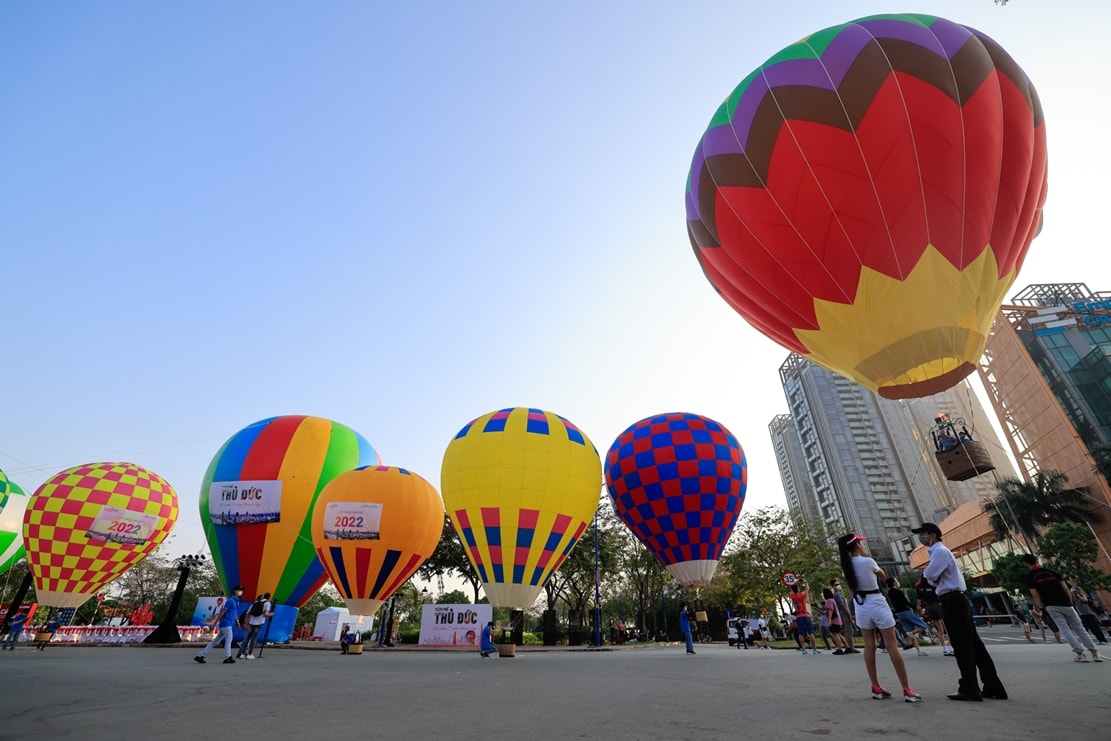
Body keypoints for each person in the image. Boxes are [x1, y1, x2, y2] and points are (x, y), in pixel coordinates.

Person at [914, 523, 1006, 701]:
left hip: (952, 601)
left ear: (932, 535)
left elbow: (929, 576)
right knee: (975, 646)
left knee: (962, 646)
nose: (921, 539)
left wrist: (928, 575)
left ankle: (969, 688)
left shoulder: (939, 551)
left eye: (923, 535)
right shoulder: (939, 552)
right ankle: (993, 686)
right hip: (956, 600)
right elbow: (931, 579)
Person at [837, 534, 921, 702]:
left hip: (860, 605)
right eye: (861, 542)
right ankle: (906, 689)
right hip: (876, 602)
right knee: (892, 645)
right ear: (858, 545)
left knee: (869, 646)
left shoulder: (846, 567)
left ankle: (876, 687)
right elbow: (883, 576)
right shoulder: (867, 562)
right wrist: (867, 558)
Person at [1022, 554, 1103, 662]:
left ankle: (1080, 654)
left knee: (1065, 629)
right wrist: (1070, 602)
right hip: (1066, 603)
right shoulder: (1053, 572)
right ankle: (1095, 653)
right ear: (1037, 560)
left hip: (1050, 605)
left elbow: (1035, 595)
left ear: (1026, 563)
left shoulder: (1030, 577)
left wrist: (1041, 608)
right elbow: (1066, 589)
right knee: (1079, 628)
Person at [194, 585, 243, 664]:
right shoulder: (230, 600)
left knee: (215, 641)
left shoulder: (236, 601)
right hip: (226, 623)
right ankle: (228, 657)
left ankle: (200, 655)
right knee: (229, 639)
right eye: (239, 590)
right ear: (235, 591)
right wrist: (214, 624)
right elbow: (222, 612)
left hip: (229, 623)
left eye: (241, 590)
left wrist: (237, 621)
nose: (241, 591)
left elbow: (234, 612)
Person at [885, 578, 929, 656]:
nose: (897, 582)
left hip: (899, 614)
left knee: (911, 632)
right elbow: (906, 603)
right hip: (906, 612)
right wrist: (916, 608)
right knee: (923, 626)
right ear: (894, 583)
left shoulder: (889, 593)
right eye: (896, 581)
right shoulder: (898, 592)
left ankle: (918, 650)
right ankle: (910, 634)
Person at [915, 576, 952, 656]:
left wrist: (919, 609)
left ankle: (944, 649)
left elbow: (918, 599)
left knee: (940, 629)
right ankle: (952, 647)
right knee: (947, 627)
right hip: (938, 605)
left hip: (929, 607)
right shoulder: (933, 584)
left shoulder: (919, 587)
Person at [788, 578, 820, 654]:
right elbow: (807, 589)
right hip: (805, 615)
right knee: (810, 633)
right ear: (798, 589)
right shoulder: (801, 596)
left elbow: (792, 590)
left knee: (800, 633)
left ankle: (803, 649)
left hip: (798, 617)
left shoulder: (792, 596)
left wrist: (794, 583)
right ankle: (814, 649)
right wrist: (805, 582)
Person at [237, 592, 272, 659]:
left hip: (251, 622)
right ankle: (250, 653)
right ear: (269, 597)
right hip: (259, 623)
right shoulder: (267, 603)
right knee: (254, 639)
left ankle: (242, 654)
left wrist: (246, 622)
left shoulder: (255, 603)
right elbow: (265, 614)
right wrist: (271, 614)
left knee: (248, 638)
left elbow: (248, 613)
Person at [830, 579, 859, 653]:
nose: (838, 586)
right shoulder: (837, 594)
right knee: (848, 631)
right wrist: (849, 614)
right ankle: (850, 647)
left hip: (840, 615)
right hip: (844, 615)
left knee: (843, 632)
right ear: (833, 586)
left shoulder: (835, 595)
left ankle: (847, 646)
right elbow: (842, 604)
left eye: (838, 584)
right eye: (836, 585)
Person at [821, 588, 851, 655]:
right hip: (837, 620)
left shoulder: (829, 601)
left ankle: (840, 649)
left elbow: (830, 610)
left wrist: (829, 620)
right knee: (838, 634)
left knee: (835, 634)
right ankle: (847, 647)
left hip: (834, 620)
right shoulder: (832, 600)